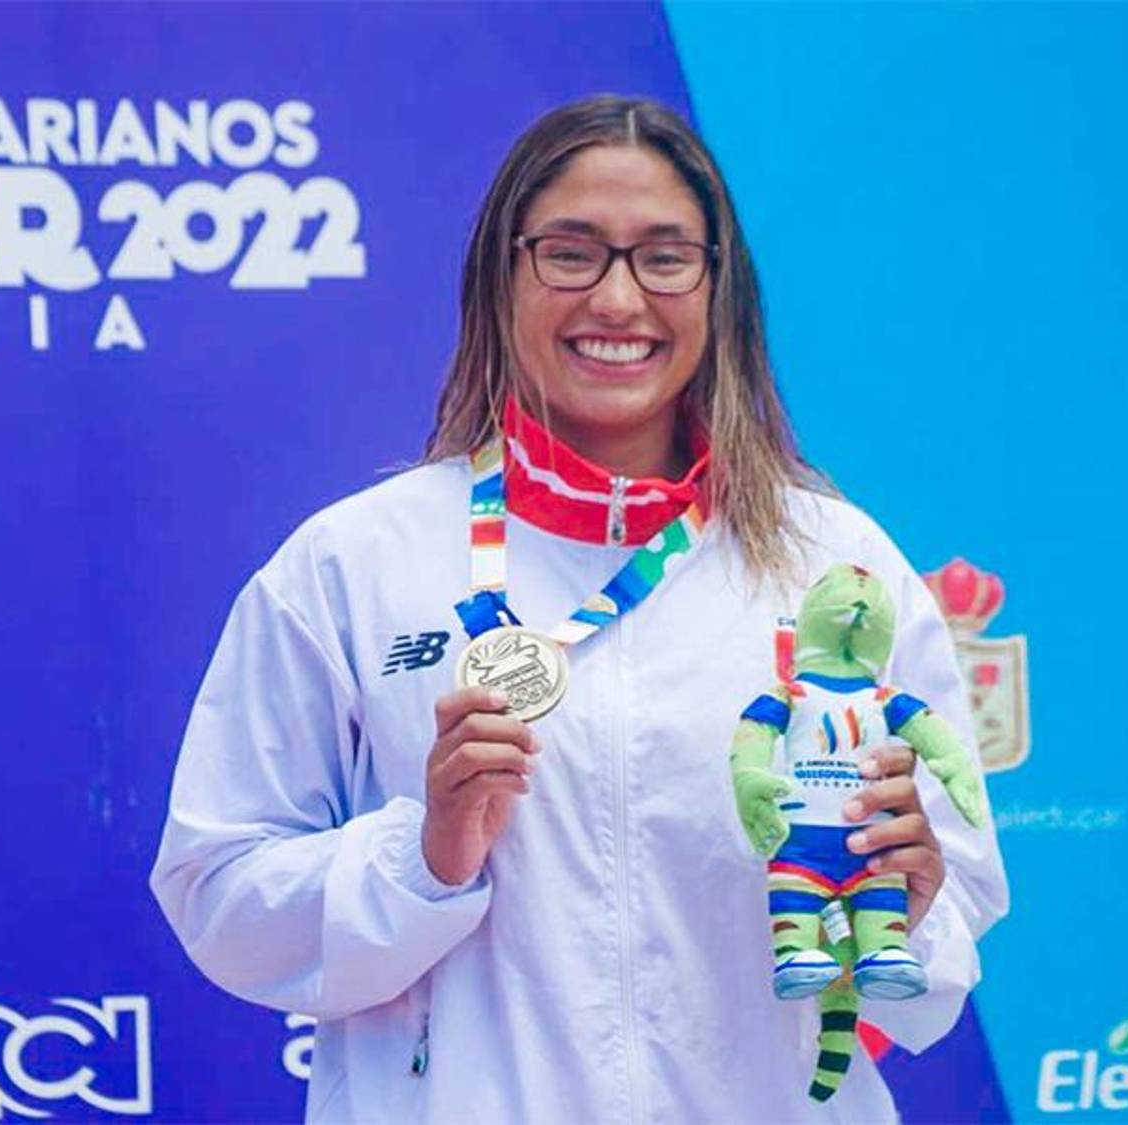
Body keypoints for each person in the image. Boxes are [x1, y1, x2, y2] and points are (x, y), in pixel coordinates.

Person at [150, 94, 1008, 1123]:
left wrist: (908, 909)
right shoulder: (353, 563)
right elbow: (217, 893)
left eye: (662, 256)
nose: (616, 298)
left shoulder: (835, 567)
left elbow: (948, 931)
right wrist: (421, 858)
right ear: (500, 276)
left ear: (717, 288)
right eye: (570, 253)